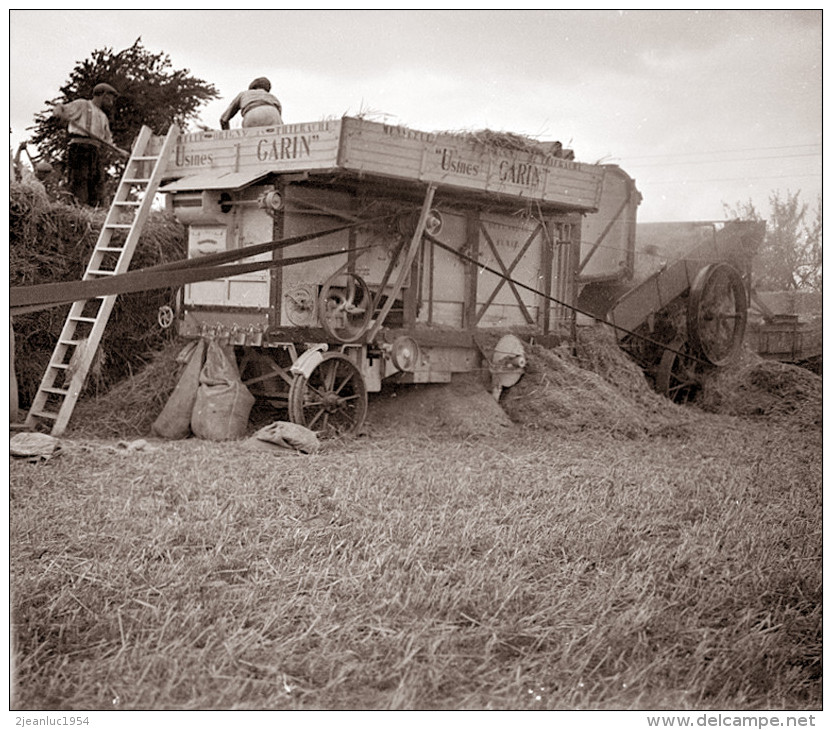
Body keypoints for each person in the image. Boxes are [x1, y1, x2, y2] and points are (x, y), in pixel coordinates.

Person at [51, 82, 119, 207]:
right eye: (110, 97)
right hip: (79, 148)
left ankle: (95, 213)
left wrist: (120, 152)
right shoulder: (82, 104)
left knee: (97, 183)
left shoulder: (103, 117)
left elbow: (108, 141)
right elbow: (61, 108)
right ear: (102, 95)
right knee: (79, 181)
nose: (112, 101)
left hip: (95, 151)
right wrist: (58, 111)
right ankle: (78, 211)